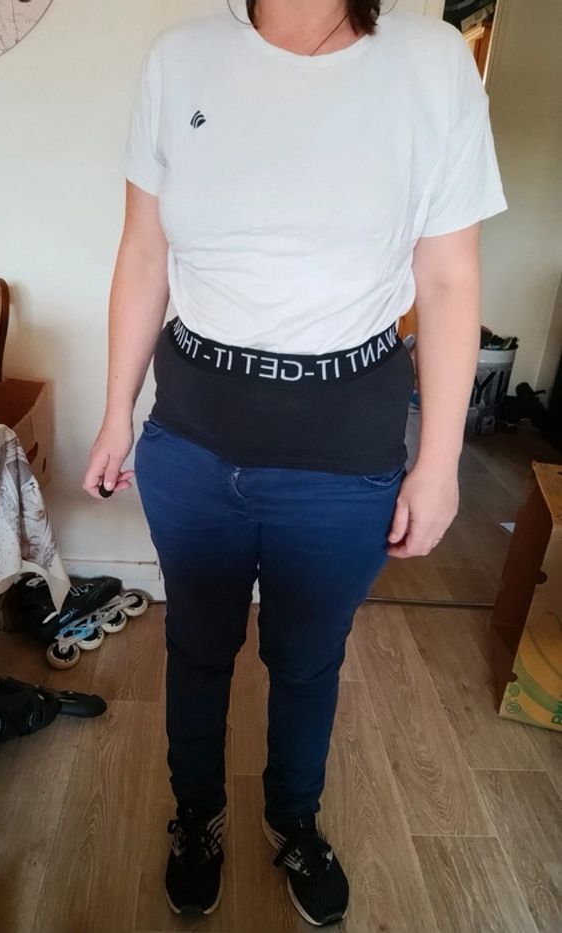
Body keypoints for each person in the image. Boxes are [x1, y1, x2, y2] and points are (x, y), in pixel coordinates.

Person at [83, 0, 508, 925]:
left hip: (342, 446)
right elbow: (144, 250)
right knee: (198, 644)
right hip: (193, 433)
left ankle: (294, 818)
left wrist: (440, 462)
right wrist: (117, 411)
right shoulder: (181, 57)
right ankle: (196, 815)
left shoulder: (433, 61)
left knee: (308, 657)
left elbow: (447, 277)